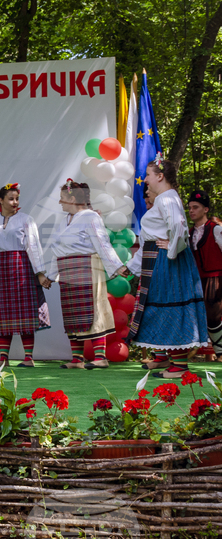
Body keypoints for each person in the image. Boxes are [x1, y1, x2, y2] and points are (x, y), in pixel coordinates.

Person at [127, 156, 208, 378]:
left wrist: (171, 248)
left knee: (170, 305)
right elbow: (150, 238)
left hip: (168, 260)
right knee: (159, 306)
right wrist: (132, 266)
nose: (145, 179)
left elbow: (179, 228)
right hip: (160, 257)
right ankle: (167, 359)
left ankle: (180, 366)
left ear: (160, 176)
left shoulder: (167, 198)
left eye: (148, 175)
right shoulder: (165, 198)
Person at [48, 179, 126, 370]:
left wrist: (116, 266)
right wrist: (50, 275)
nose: (60, 202)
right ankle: (77, 358)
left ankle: (100, 357)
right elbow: (57, 249)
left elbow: (102, 242)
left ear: (72, 199)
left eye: (62, 198)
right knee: (72, 312)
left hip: (87, 266)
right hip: (67, 269)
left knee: (94, 309)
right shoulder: (65, 221)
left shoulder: (91, 216)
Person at [0, 183, 51, 367]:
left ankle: (28, 358)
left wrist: (40, 273)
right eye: (11, 198)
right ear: (0, 200)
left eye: (17, 199)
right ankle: (3, 358)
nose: (15, 202)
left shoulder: (26, 219)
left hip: (22, 267)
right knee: (2, 312)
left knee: (25, 312)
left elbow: (33, 247)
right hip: (1, 268)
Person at [188, 189, 222, 358]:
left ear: (206, 209)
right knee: (204, 318)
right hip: (197, 280)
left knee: (213, 315)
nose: (191, 211)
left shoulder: (216, 229)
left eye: (195, 207)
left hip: (215, 278)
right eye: (190, 208)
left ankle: (220, 352)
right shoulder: (189, 233)